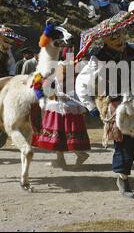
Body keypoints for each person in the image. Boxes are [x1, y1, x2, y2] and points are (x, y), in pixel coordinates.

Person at [76, 11, 134, 209]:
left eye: (120, 34)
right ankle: (123, 178)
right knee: (125, 150)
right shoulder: (97, 59)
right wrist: (91, 106)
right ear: (104, 39)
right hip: (118, 109)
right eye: (112, 36)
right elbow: (82, 83)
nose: (118, 39)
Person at [32, 27, 90, 167]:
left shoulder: (61, 66)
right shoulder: (76, 66)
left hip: (61, 104)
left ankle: (80, 154)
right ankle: (61, 159)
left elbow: (40, 82)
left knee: (63, 133)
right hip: (66, 104)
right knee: (61, 134)